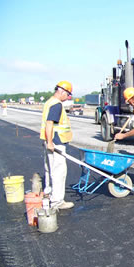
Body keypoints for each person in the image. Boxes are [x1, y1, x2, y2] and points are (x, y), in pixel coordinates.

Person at [40, 81, 75, 209]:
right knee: (58, 171)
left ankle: (49, 194)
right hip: (56, 142)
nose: (68, 97)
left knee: (49, 169)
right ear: (62, 91)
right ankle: (57, 201)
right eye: (67, 94)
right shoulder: (56, 105)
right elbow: (49, 123)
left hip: (50, 140)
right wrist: (50, 142)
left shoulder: (49, 102)